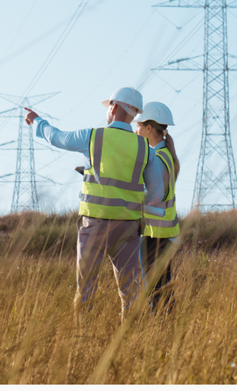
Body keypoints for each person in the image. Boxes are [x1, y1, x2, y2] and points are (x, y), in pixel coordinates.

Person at [23, 87, 163, 322]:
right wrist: (134, 207)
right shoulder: (145, 150)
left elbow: (57, 137)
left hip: (94, 225)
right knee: (131, 292)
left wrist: (37, 121)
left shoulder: (92, 137)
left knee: (86, 289)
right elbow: (157, 193)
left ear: (114, 107)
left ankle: (81, 340)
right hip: (129, 229)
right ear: (134, 114)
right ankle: (132, 341)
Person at [134, 101, 180, 312]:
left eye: (139, 125)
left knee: (156, 290)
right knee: (162, 288)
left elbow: (152, 196)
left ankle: (162, 332)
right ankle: (166, 330)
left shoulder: (157, 158)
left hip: (155, 234)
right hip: (163, 232)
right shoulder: (165, 155)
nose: (135, 130)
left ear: (149, 128)